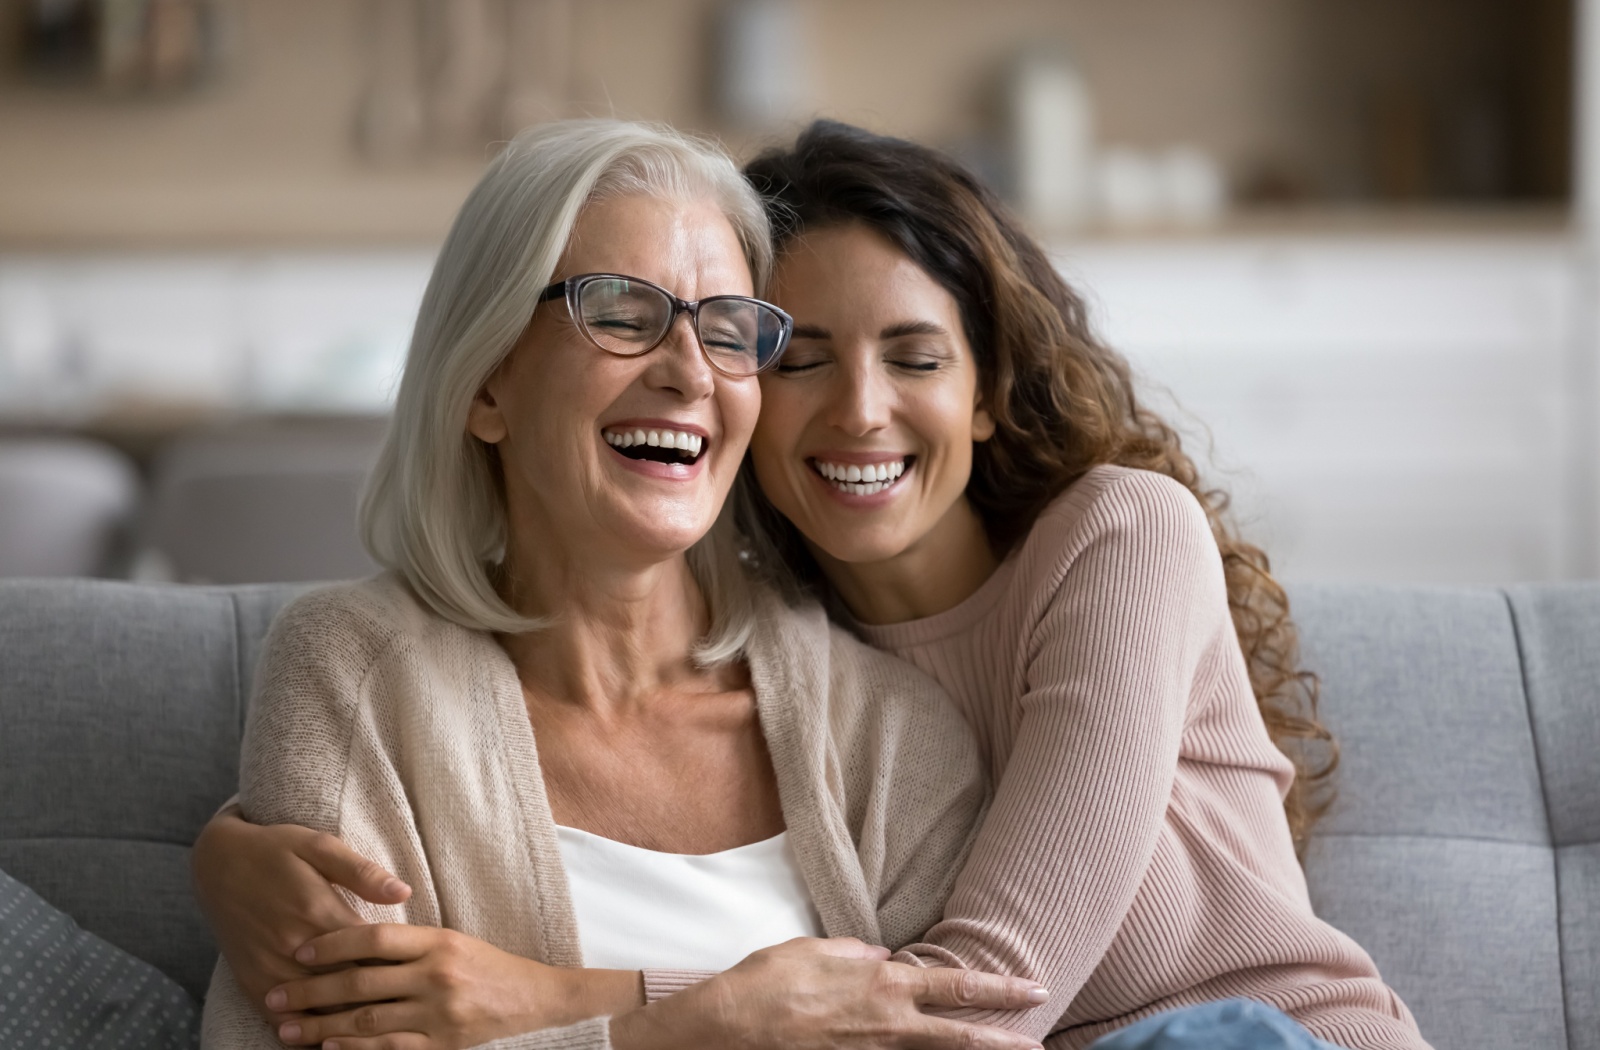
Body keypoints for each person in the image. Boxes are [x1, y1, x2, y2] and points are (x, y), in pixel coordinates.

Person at [196, 119, 1432, 1050]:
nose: (857, 411)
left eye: (914, 356)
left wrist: (581, 1006)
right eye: (621, 311)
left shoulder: (1097, 555)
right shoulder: (825, 641)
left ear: (990, 390)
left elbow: (974, 1005)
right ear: (481, 381)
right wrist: (221, 848)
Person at [197, 117, 1050, 1050]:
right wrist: (694, 1028)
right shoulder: (357, 675)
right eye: (618, 313)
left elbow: (964, 1036)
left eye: (730, 331)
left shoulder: (886, 732)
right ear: (486, 383)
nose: (689, 373)